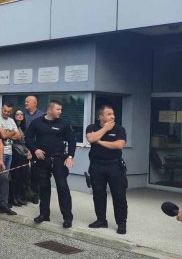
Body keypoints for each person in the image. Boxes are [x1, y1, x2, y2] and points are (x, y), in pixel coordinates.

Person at [25, 100, 76, 228]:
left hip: (59, 159)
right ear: (50, 110)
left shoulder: (64, 124)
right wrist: (35, 149)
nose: (60, 112)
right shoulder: (37, 123)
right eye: (58, 109)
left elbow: (72, 140)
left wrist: (70, 156)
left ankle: (67, 217)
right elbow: (28, 138)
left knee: (62, 188)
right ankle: (44, 214)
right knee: (44, 187)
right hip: (42, 160)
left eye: (61, 110)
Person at [86, 105, 128, 235]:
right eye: (109, 114)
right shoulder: (91, 128)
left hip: (115, 166)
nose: (113, 116)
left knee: (119, 195)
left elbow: (119, 145)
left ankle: (121, 223)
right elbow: (91, 138)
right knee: (98, 194)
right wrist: (105, 129)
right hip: (96, 166)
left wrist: (99, 142)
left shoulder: (119, 129)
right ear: (100, 116)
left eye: (113, 114)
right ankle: (101, 220)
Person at [0, 104, 21, 210]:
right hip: (0, 153)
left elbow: (18, 135)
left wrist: (8, 132)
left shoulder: (11, 120)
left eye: (8, 111)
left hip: (9, 152)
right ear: (1, 109)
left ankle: (3, 200)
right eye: (4, 111)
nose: (6, 113)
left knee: (6, 178)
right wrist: (12, 132)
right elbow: (2, 136)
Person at [24, 94, 45, 204]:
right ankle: (27, 193)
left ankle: (37, 194)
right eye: (25, 101)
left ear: (34, 103)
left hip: (38, 148)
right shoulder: (23, 115)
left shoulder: (42, 115)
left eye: (28, 101)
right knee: (26, 172)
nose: (25, 103)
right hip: (25, 147)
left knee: (37, 172)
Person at [10, 109, 31, 206]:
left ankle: (20, 197)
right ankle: (13, 198)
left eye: (21, 114)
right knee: (16, 176)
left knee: (23, 176)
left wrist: (28, 151)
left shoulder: (23, 127)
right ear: (14, 116)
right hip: (16, 152)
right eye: (17, 114)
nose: (20, 116)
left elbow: (26, 141)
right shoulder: (12, 126)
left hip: (24, 153)